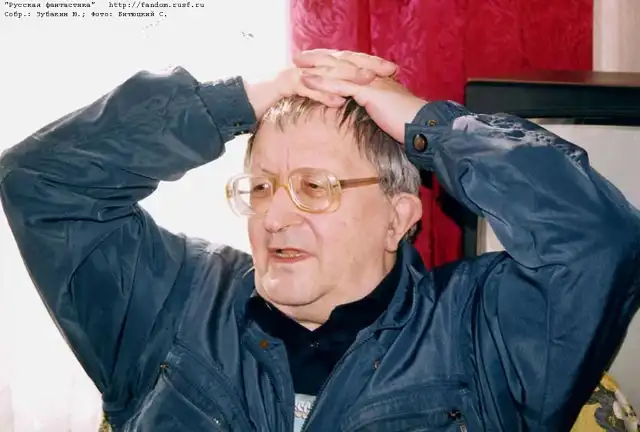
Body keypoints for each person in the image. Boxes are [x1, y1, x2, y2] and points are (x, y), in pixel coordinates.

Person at [1, 49, 638, 432]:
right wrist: (244, 99)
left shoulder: (482, 333)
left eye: (314, 186)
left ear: (398, 218)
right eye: (261, 186)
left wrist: (425, 123)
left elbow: (598, 241)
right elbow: (40, 181)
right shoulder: (171, 303)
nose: (275, 216)